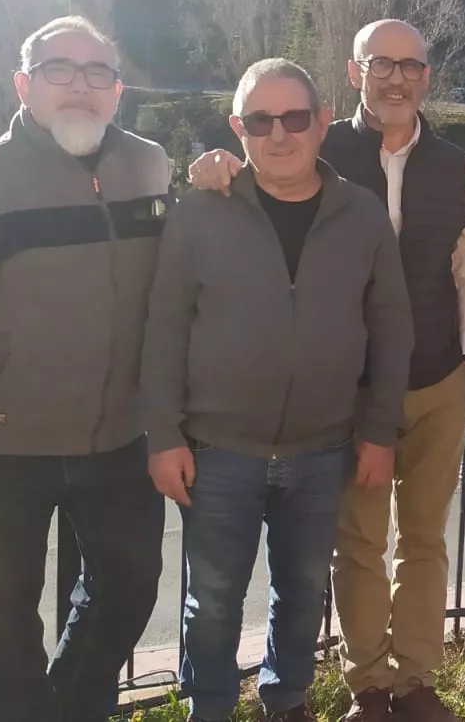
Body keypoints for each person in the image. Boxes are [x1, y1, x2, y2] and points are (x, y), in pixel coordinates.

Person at [188, 20, 465, 722]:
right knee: (356, 544)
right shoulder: (317, 148)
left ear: (427, 77)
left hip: (439, 376)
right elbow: (254, 167)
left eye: (410, 66)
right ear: (355, 74)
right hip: (348, 386)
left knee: (424, 539)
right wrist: (210, 166)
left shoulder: (458, 167)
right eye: (380, 63)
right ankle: (369, 684)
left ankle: (416, 681)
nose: (396, 78)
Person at [0, 16, 169, 722]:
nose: (80, 86)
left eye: (98, 72)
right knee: (2, 635)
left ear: (117, 90)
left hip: (119, 442)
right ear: (24, 85)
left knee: (130, 591)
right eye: (58, 70)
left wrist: (217, 174)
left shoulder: (151, 168)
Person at [139, 58, 413, 722]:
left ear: (322, 122)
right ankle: (209, 709)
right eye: (260, 121)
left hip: (323, 447)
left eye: (294, 117)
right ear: (239, 129)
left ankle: (287, 702)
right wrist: (163, 435)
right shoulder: (200, 212)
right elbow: (165, 328)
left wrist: (380, 431)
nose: (279, 134)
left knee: (302, 591)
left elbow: (391, 327)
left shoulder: (362, 214)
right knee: (213, 599)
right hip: (217, 448)